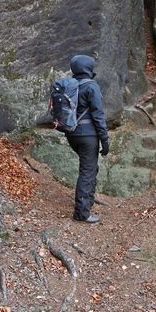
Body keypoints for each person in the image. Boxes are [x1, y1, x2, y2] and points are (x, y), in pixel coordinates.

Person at [65, 55, 109, 223]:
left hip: (72, 134)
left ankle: (88, 201)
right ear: (88, 68)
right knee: (87, 171)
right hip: (88, 136)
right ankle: (82, 213)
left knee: (90, 168)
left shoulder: (70, 86)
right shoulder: (91, 86)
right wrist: (104, 140)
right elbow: (98, 115)